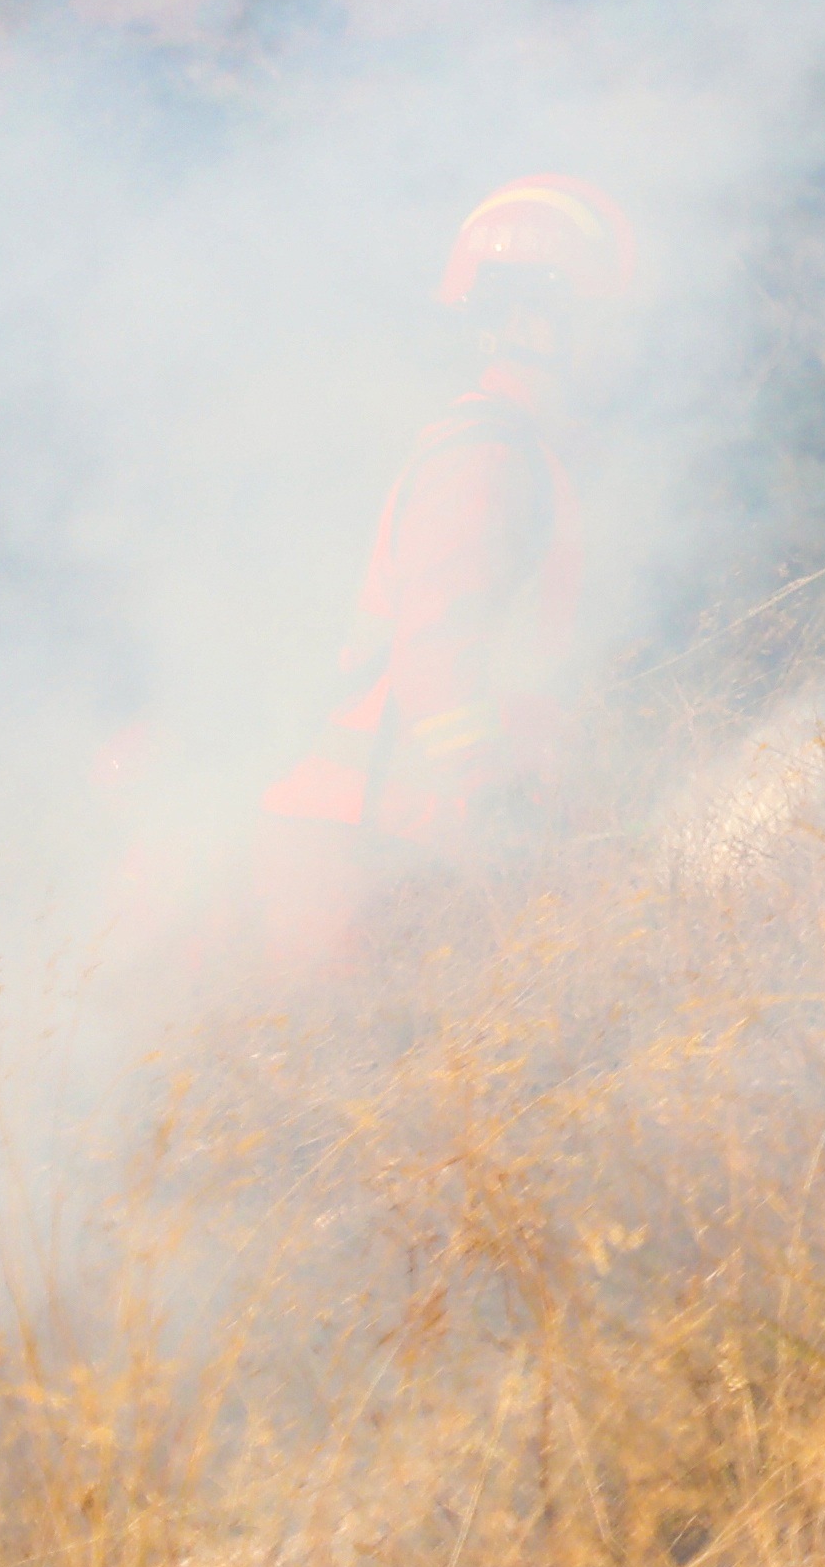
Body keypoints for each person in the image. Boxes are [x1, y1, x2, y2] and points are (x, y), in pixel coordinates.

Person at [257, 173, 639, 972]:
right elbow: (437, 659)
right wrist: (501, 805)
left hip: (408, 842)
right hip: (374, 851)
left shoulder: (523, 451)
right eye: (603, 317)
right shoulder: (487, 460)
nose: (621, 342)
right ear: (535, 318)